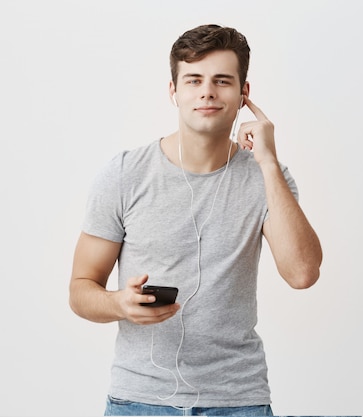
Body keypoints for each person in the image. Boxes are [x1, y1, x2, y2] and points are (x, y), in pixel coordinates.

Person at [69, 24, 323, 416]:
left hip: (238, 400)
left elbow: (302, 273)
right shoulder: (124, 174)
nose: (207, 92)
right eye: (193, 80)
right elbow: (80, 289)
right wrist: (119, 303)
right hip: (139, 400)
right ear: (174, 91)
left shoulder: (268, 177)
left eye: (222, 81)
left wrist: (268, 162)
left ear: (244, 95)